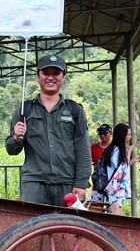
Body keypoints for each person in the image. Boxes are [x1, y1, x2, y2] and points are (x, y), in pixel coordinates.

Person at [5, 54, 92, 205]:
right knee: (34, 226)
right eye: (46, 73)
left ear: (63, 77)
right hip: (34, 184)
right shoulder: (25, 110)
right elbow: (11, 149)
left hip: (67, 182)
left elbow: (83, 148)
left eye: (56, 73)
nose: (50, 78)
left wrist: (81, 183)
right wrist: (17, 138)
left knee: (66, 227)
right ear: (38, 76)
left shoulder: (74, 110)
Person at [90, 123, 140, 214]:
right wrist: (129, 151)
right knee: (114, 213)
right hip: (112, 189)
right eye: (128, 134)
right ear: (122, 135)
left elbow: (120, 168)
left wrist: (130, 157)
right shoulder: (116, 150)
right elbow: (120, 171)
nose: (130, 137)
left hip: (108, 187)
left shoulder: (113, 149)